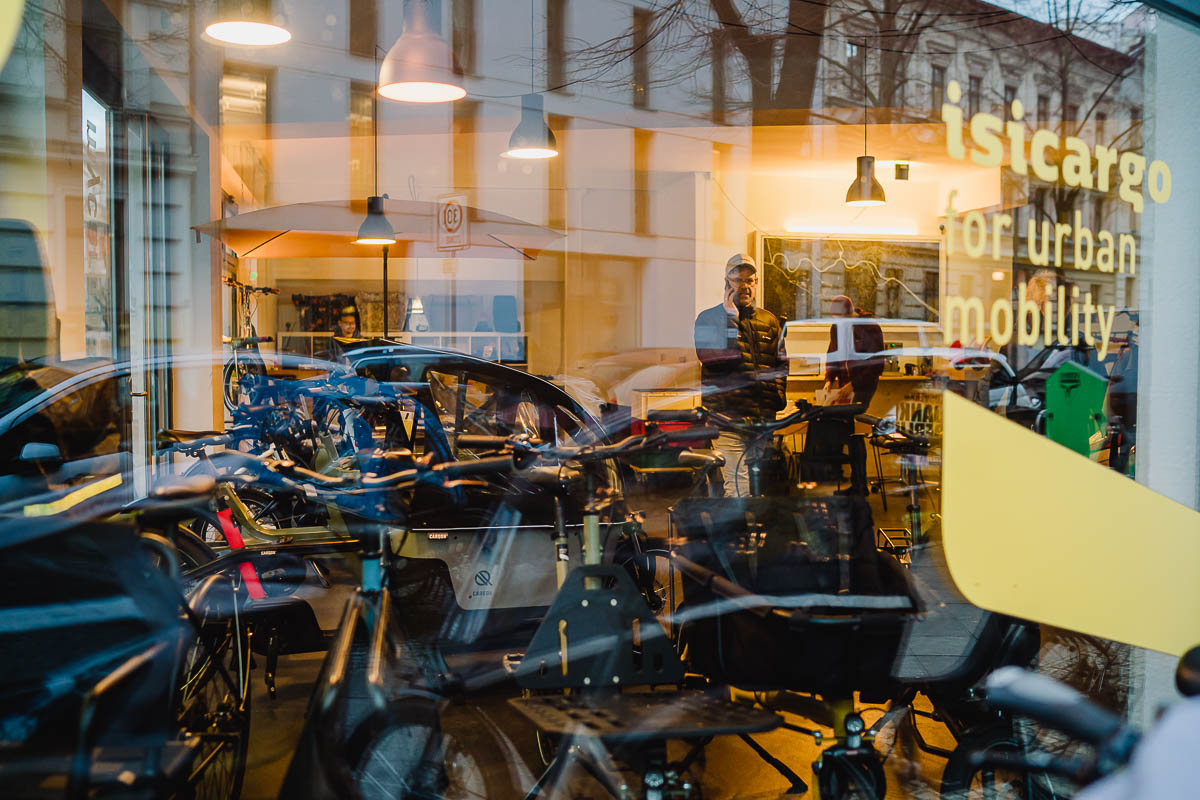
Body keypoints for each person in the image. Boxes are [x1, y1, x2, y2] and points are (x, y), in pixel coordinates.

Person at [693, 254, 787, 496]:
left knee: (758, 490)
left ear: (756, 283)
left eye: (749, 280)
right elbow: (716, 359)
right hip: (727, 421)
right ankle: (736, 532)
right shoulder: (708, 319)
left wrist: (776, 400)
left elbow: (781, 365)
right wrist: (731, 320)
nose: (743, 286)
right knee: (738, 491)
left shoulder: (770, 320)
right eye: (737, 280)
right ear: (726, 283)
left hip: (762, 422)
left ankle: (751, 533)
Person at [823, 295, 885, 406]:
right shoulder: (836, 327)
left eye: (842, 318)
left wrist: (854, 385)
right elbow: (832, 355)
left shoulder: (869, 327)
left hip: (864, 384)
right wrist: (829, 379)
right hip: (843, 382)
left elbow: (876, 364)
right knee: (841, 417)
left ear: (850, 314)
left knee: (852, 414)